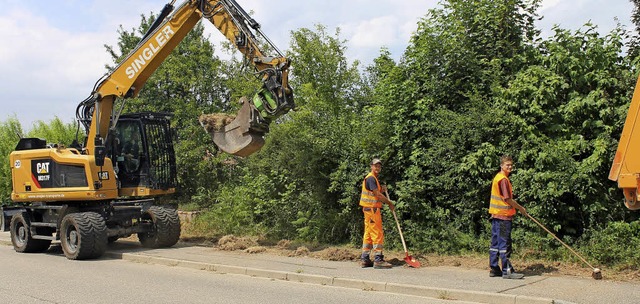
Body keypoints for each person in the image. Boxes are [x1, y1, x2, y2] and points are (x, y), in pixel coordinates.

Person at [489, 155, 527, 279]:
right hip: (503, 217)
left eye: (511, 165)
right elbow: (507, 199)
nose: (510, 167)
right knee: (504, 244)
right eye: (507, 165)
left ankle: (494, 268)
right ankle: (507, 270)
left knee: (495, 243)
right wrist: (520, 208)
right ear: (502, 165)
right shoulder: (503, 180)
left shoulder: (498, 178)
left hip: (496, 216)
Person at [359, 158, 395, 269]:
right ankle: (378, 259)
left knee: (369, 233)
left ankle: (365, 259)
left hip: (367, 210)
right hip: (373, 210)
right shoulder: (371, 178)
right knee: (377, 233)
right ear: (371, 166)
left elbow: (376, 192)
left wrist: (382, 189)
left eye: (379, 166)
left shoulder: (373, 179)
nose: (377, 167)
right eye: (376, 165)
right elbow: (377, 195)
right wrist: (389, 203)